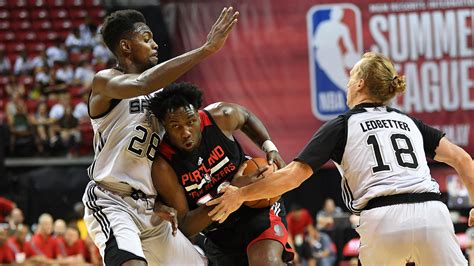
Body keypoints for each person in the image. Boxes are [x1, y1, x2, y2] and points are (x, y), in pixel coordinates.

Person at [208, 52, 473, 265]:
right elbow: (463, 160)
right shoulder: (410, 123)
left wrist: (241, 195)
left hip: (382, 218)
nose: (347, 82)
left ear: (360, 84)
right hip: (432, 214)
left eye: (351, 76)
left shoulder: (342, 125)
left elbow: (291, 177)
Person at [82, 7, 239, 265]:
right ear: (125, 46)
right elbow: (141, 84)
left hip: (150, 208)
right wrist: (205, 50)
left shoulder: (162, 97)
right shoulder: (105, 82)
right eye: (146, 39)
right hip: (112, 199)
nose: (155, 44)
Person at [148, 82, 294, 265]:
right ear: (164, 127)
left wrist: (268, 146)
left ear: (198, 115)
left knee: (266, 262)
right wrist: (229, 193)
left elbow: (246, 117)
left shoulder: (220, 116)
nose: (185, 132)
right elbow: (185, 225)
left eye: (191, 121)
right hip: (218, 231)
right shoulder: (164, 166)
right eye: (176, 126)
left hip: (256, 209)